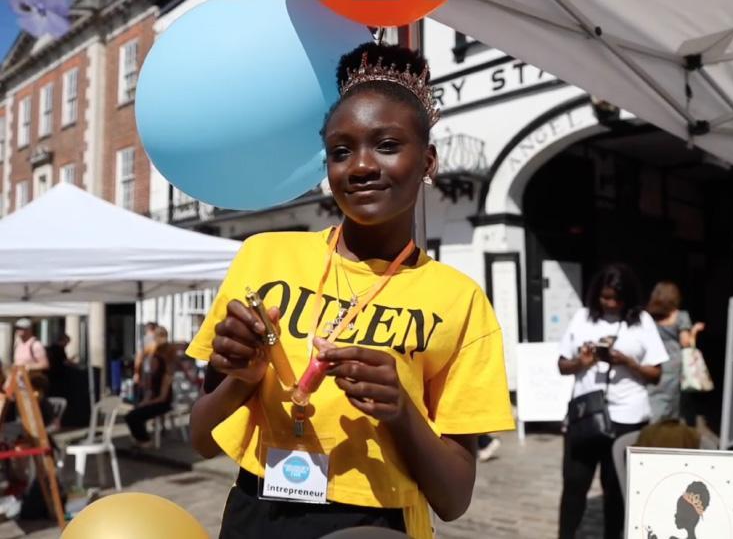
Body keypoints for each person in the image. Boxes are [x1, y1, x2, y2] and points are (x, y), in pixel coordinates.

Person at [187, 42, 514, 539]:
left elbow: (454, 499)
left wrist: (400, 409)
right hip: (258, 515)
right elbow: (200, 439)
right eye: (341, 151)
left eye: (387, 145)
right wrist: (242, 380)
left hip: (378, 525)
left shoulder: (459, 300)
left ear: (428, 161)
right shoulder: (265, 257)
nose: (359, 166)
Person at [557, 263, 668, 539]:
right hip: (586, 414)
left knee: (616, 490)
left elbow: (656, 374)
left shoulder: (642, 321)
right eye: (605, 297)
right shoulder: (583, 318)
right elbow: (562, 365)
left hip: (627, 418)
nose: (610, 304)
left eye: (616, 298)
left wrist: (628, 362)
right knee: (574, 485)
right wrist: (582, 362)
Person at [646, 282, 705, 423]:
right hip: (673, 363)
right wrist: (695, 330)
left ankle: (653, 424)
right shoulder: (680, 316)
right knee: (672, 400)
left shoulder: (648, 317)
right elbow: (686, 342)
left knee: (654, 397)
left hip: (653, 361)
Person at [125, 337, 175, 448]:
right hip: (153, 402)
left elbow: (162, 398)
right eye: (151, 364)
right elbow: (149, 392)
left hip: (162, 404)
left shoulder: (165, 377)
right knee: (131, 415)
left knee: (136, 416)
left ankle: (145, 440)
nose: (152, 366)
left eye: (154, 364)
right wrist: (144, 401)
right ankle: (140, 438)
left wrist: (147, 403)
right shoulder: (152, 377)